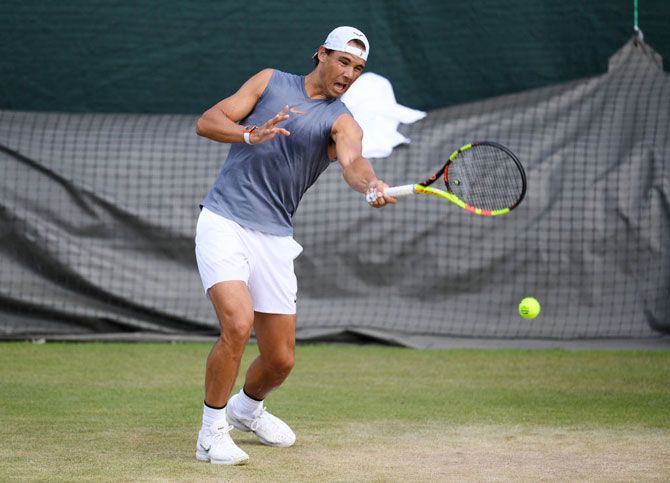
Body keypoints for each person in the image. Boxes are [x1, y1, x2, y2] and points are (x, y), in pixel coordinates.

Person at [193, 26, 395, 465]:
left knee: (280, 360)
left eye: (358, 68)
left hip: (275, 237)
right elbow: (208, 121)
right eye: (343, 61)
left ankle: (245, 410)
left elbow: (353, 162)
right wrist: (249, 134)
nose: (349, 73)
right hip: (224, 220)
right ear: (321, 54)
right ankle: (211, 432)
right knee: (237, 323)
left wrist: (370, 185)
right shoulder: (269, 82)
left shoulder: (343, 121)